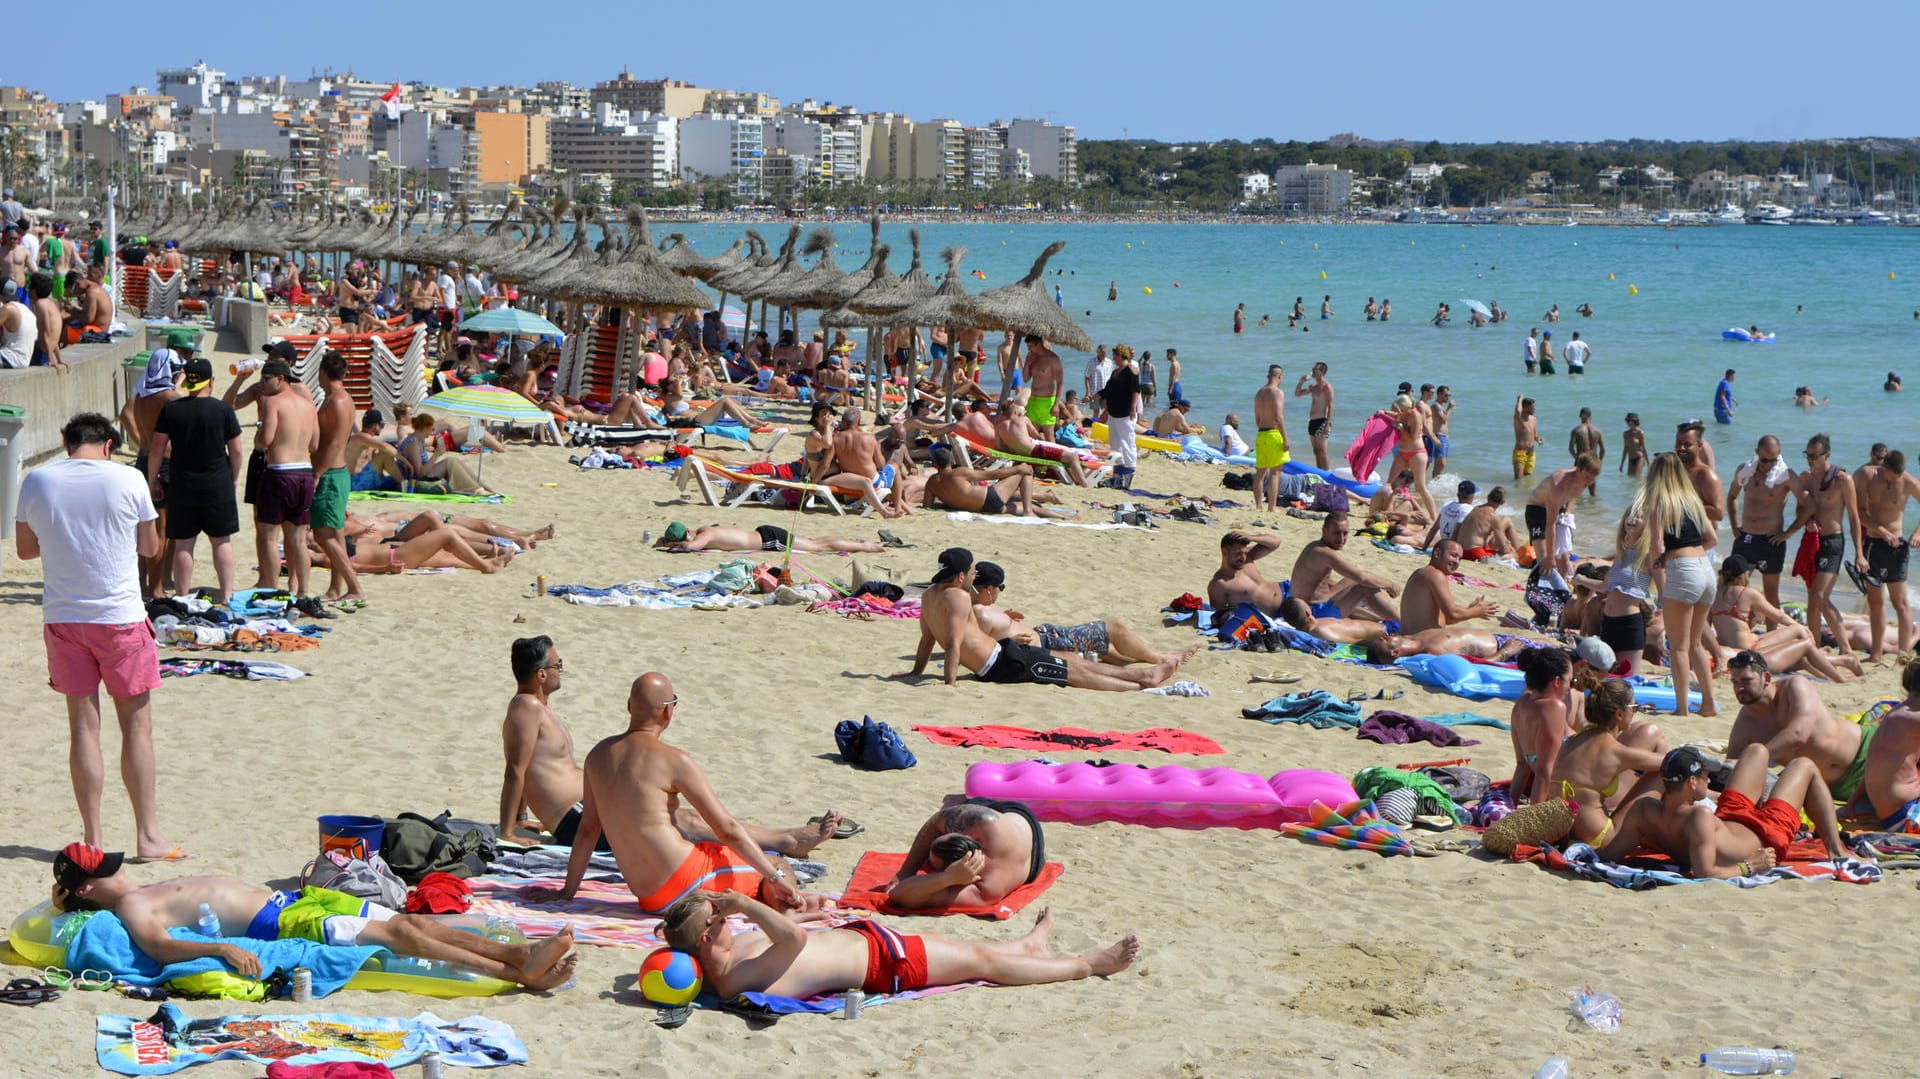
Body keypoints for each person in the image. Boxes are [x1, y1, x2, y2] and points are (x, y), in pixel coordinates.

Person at [50, 843, 578, 990]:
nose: (121, 871)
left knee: (407, 921)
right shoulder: (131, 906)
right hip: (282, 925)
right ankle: (515, 971)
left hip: (301, 902)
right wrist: (220, 948)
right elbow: (161, 949)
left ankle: (517, 955)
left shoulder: (138, 889)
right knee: (399, 934)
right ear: (90, 887)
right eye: (108, 869)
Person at [499, 638, 842, 856]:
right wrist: (509, 831)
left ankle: (783, 836)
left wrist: (523, 817)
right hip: (575, 821)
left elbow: (530, 766)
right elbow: (515, 769)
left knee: (678, 813)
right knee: (681, 820)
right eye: (558, 666)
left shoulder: (537, 708)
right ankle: (787, 840)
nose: (562, 671)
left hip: (583, 809)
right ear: (541, 675)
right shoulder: (526, 708)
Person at [14, 414, 181, 860]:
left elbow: (25, 550)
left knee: (84, 729)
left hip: (64, 617)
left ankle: (93, 838)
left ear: (68, 444)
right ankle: (148, 836)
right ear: (108, 444)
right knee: (136, 728)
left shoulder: (38, 480)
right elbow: (149, 548)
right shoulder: (127, 478)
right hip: (120, 615)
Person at [555, 672, 825, 915]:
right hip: (687, 883)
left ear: (629, 707)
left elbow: (588, 830)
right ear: (667, 713)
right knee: (776, 864)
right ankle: (791, 915)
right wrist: (774, 876)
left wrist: (568, 892)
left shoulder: (597, 756)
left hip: (649, 898)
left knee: (717, 850)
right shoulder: (674, 760)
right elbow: (727, 829)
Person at [661, 890, 1137, 1000]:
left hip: (872, 943)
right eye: (717, 915)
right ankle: (1086, 966)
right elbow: (794, 940)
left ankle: (1028, 947)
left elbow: (783, 928)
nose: (727, 915)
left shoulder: (726, 947)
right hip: (886, 967)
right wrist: (745, 901)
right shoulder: (731, 977)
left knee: (970, 948)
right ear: (706, 938)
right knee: (982, 961)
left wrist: (809, 911)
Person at [906, 548, 1186, 691]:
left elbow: (927, 640)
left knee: (1074, 663)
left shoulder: (930, 596)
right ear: (959, 576)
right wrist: (950, 686)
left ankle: (1142, 675)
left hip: (1003, 654)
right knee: (1074, 673)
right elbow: (953, 644)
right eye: (971, 572)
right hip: (1000, 665)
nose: (973, 578)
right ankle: (1143, 679)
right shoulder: (958, 597)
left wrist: (916, 673)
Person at [1595, 745, 1852, 876]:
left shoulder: (1644, 808)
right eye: (1705, 776)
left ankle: (1767, 795)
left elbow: (1610, 854)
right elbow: (1706, 873)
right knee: (1804, 765)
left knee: (1756, 750)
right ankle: (1836, 849)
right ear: (1692, 782)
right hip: (1767, 833)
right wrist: (1750, 866)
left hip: (1730, 816)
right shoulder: (1699, 816)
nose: (1709, 781)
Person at [224, 356, 322, 608]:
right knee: (298, 539)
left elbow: (265, 440)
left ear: (281, 378)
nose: (263, 384)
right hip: (305, 473)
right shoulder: (309, 406)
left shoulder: (272, 402)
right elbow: (314, 444)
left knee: (268, 535)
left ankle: (271, 589)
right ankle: (303, 593)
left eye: (266, 379)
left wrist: (258, 437)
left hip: (280, 472)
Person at [146, 356, 243, 604]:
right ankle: (227, 594)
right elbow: (238, 450)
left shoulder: (172, 409)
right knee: (221, 541)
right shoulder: (223, 410)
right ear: (211, 381)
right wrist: (232, 478)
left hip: (183, 483)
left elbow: (157, 447)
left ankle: (181, 596)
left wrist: (152, 479)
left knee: (183, 545)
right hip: (217, 482)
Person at [971, 561, 1187, 666]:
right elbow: (976, 647)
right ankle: (1158, 658)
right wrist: (1011, 641)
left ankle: (1145, 659)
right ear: (989, 589)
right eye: (1002, 588)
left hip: (1046, 634)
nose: (1001, 592)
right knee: (1113, 627)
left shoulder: (980, 605)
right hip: (1048, 643)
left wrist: (1006, 617)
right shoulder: (980, 613)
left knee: (1101, 647)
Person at [1635, 452, 1719, 717]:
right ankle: (1707, 704)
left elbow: (1657, 545)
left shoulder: (1660, 502)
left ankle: (1682, 709)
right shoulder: (1693, 501)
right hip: (1706, 570)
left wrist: (1662, 565)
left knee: (1679, 647)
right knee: (1696, 644)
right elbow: (1712, 539)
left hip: (1684, 572)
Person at [1547, 680, 1669, 845]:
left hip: (1560, 832)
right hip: (1599, 837)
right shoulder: (1615, 751)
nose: (1635, 713)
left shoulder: (1575, 739)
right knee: (1665, 772)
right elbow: (1669, 762)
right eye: (1634, 708)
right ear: (1619, 714)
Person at [1782, 433, 1867, 662]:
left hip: (1833, 542)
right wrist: (1805, 522)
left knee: (1820, 596)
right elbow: (1800, 509)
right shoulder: (1806, 478)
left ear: (1827, 454)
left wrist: (1859, 553)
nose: (1810, 459)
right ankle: (1814, 648)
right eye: (1807, 455)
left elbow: (1854, 517)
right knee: (1812, 598)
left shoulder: (1842, 479)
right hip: (1812, 542)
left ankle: (1846, 649)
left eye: (1814, 455)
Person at [888, 796, 1043, 909]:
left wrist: (943, 878)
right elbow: (936, 821)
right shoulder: (987, 824)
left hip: (1024, 839)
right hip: (1026, 839)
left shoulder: (986, 889)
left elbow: (898, 894)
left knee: (961, 810)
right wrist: (907, 872)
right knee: (959, 811)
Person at [309, 351, 365, 605]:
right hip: (335, 473)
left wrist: (317, 474)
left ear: (323, 372)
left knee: (323, 536)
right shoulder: (337, 398)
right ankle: (335, 587)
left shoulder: (338, 401)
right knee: (336, 533)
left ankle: (355, 588)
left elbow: (334, 444)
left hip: (331, 474)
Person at [1855, 449, 1920, 662]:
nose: (1895, 480)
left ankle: (1903, 655)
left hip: (1897, 548)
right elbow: (1858, 512)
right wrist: (1881, 530)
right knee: (1875, 602)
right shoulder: (1868, 476)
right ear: (1884, 468)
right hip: (1873, 543)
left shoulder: (1909, 482)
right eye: (1893, 475)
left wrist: (1917, 534)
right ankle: (1876, 654)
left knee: (1900, 603)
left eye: (1899, 476)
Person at [1723, 436, 1797, 608]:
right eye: (1765, 460)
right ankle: (1740, 630)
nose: (1769, 464)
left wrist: (1789, 532)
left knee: (1771, 594)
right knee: (1733, 588)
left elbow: (1807, 504)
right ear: (1757, 453)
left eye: (1774, 460)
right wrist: (1735, 525)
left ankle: (1772, 633)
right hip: (1746, 538)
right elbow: (1732, 496)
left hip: (1770, 540)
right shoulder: (1745, 471)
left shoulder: (1785, 476)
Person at [1287, 512, 1401, 620]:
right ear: (1324, 531)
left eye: (1345, 533)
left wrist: (1347, 591)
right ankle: (1402, 622)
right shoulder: (1324, 552)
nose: (1341, 539)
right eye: (1336, 533)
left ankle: (1384, 618)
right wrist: (1390, 585)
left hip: (1311, 605)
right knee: (1365, 585)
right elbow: (1362, 578)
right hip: (1313, 612)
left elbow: (1322, 581)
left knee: (1351, 580)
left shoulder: (1314, 546)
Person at [1508, 647, 1575, 805]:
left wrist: (1510, 804)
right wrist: (1535, 819)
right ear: (1557, 682)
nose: (1571, 688)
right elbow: (1545, 771)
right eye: (1571, 682)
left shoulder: (1520, 705)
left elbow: (1522, 765)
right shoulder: (1554, 707)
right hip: (1576, 785)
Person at [923, 445, 1059, 518]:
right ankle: (1028, 512)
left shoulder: (931, 482)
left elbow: (928, 505)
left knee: (1019, 505)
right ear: (951, 462)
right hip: (990, 499)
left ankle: (1061, 516)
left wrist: (950, 502)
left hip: (983, 509)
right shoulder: (958, 472)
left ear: (935, 464)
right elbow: (992, 474)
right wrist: (1018, 467)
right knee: (1026, 470)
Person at [1862, 659, 1920, 832]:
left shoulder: (1896, 714)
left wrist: (1852, 803)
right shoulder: (1909, 720)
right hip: (1906, 814)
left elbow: (1873, 767)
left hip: (1896, 811)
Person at [1399, 540, 1500, 635]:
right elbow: (1452, 615)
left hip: (1409, 639)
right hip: (1423, 643)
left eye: (1459, 558)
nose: (1457, 562)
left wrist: (1469, 610)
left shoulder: (1420, 573)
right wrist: (1477, 611)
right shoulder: (1435, 575)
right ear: (1437, 553)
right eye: (1453, 555)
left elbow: (1444, 619)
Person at [1523, 455, 1600, 556]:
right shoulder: (1558, 483)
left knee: (1564, 559)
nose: (1589, 481)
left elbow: (1573, 495)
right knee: (1544, 559)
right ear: (1578, 470)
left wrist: (1568, 511)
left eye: (1593, 479)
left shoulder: (1585, 479)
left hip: (1558, 507)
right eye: (1587, 477)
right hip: (1536, 509)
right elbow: (1551, 525)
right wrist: (1550, 558)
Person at [653, 521, 883, 553]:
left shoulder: (705, 534)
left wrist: (668, 546)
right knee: (815, 542)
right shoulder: (704, 529)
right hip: (765, 534)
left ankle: (866, 546)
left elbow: (692, 548)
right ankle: (860, 543)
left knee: (816, 546)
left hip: (769, 540)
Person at [1361, 624, 1547, 663]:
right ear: (1395, 653)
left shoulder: (1414, 634)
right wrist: (1506, 652)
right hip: (1507, 650)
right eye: (1384, 639)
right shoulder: (1432, 651)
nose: (1386, 634)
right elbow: (1474, 665)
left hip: (1501, 637)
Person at [1100, 344, 1141, 490]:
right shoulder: (1115, 372)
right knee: (1116, 443)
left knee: (1127, 442)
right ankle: (1117, 475)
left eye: (1115, 356)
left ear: (1121, 355)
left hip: (1125, 412)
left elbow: (1136, 391)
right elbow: (1108, 391)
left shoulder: (1131, 370)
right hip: (1113, 412)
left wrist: (1133, 408)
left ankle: (1129, 472)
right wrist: (1094, 396)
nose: (1113, 359)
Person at [1252, 364, 1289, 513]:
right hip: (1273, 434)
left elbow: (1258, 420)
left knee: (1260, 473)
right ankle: (1272, 507)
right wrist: (1285, 438)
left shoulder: (1259, 393)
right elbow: (1279, 417)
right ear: (1279, 376)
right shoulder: (1277, 392)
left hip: (1261, 434)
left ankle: (1258, 505)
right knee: (1275, 472)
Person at [1673, 420, 1725, 524]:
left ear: (1699, 446)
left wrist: (1682, 509)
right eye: (1678, 443)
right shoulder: (1673, 470)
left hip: (1697, 537)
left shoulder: (1706, 475)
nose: (1681, 448)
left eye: (1687, 444)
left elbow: (1718, 513)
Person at [1454, 486, 1519, 560]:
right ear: (1502, 503)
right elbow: (1504, 547)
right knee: (1514, 555)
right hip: (1473, 552)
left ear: (1488, 497)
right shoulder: (1493, 516)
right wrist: (1511, 550)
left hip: (1461, 550)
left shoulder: (1476, 508)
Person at [1293, 362, 1334, 471]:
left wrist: (1327, 423)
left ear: (1322, 372)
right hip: (1312, 422)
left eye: (1315, 369)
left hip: (1322, 421)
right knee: (1316, 451)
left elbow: (1331, 405)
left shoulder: (1327, 387)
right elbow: (1297, 394)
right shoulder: (1313, 386)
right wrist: (1301, 382)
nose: (1313, 371)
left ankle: (1326, 476)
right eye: (1313, 369)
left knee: (1322, 451)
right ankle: (1319, 473)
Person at [1421, 480, 1478, 550]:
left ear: (1458, 494)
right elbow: (1455, 533)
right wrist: (1449, 550)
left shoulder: (1447, 504)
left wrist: (1424, 548)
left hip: (1444, 541)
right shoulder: (1468, 509)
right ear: (1471, 496)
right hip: (1454, 546)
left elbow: (1434, 529)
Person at [1568, 408, 1605, 495]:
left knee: (1576, 491)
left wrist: (1576, 458)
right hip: (1593, 461)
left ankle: (1578, 508)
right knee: (1592, 493)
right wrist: (1599, 462)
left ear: (1580, 416)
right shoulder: (1597, 431)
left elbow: (1571, 449)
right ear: (1590, 416)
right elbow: (1603, 449)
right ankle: (1593, 508)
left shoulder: (1576, 430)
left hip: (1581, 461)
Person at [1511, 395, 1542, 479]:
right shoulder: (1519, 418)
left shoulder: (1534, 419)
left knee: (1527, 479)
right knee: (1518, 479)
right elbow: (1518, 411)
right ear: (1525, 408)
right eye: (1532, 407)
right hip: (1520, 452)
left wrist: (1539, 439)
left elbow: (1535, 435)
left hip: (1531, 454)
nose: (1534, 409)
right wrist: (1519, 399)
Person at [1429, 384, 1454, 476]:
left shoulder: (1441, 406)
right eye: (1445, 395)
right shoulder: (1436, 406)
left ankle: (1436, 485)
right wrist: (1450, 408)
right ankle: (1434, 484)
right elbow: (1443, 420)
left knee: (1442, 465)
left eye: (1449, 395)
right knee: (1440, 464)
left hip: (1445, 437)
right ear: (1439, 394)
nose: (1447, 397)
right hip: (1439, 436)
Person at [1620, 413, 1647, 478]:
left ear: (1633, 421)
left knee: (1636, 478)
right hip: (1630, 459)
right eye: (1627, 421)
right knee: (1630, 479)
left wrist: (1648, 463)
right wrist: (1622, 464)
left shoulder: (1640, 433)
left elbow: (1644, 448)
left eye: (1628, 421)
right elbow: (1625, 449)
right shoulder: (1625, 434)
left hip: (1639, 458)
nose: (1627, 422)